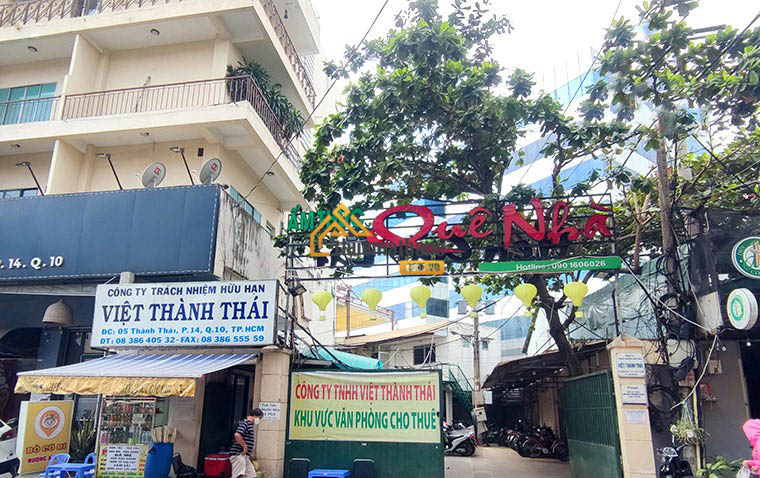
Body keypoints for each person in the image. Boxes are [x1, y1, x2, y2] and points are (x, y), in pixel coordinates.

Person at [230, 408, 264, 478]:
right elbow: (237, 435)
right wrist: (245, 447)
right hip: (239, 454)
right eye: (259, 418)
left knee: (251, 475)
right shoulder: (245, 423)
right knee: (239, 475)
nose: (259, 420)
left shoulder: (249, 425)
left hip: (245, 455)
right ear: (255, 416)